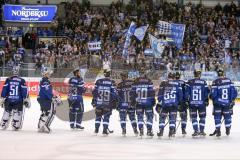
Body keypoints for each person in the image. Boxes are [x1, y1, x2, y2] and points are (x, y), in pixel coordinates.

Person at [0, 65, 30, 130]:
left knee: (7, 112)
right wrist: (25, 99)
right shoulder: (22, 80)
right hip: (18, 100)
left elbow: (4, 89)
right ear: (18, 71)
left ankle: (3, 124)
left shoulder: (8, 79)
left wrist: (2, 98)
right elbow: (24, 91)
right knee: (17, 112)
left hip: (8, 100)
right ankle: (15, 125)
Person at [210, 68, 237, 137]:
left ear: (217, 73)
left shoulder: (215, 82)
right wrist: (232, 100)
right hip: (227, 103)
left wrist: (211, 97)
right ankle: (228, 129)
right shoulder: (229, 81)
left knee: (217, 117)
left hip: (217, 104)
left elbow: (213, 95)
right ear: (223, 73)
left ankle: (218, 131)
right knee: (228, 117)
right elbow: (234, 92)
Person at [156, 72, 183, 138]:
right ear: (174, 77)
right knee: (172, 118)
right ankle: (171, 131)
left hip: (165, 104)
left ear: (168, 77)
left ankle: (161, 131)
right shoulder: (178, 84)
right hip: (174, 104)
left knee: (162, 118)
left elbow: (160, 94)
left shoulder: (163, 83)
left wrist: (159, 102)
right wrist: (179, 103)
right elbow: (180, 95)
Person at [92, 71, 118, 136]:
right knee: (106, 117)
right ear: (110, 76)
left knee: (98, 116)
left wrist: (94, 101)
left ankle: (96, 130)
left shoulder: (98, 81)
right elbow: (114, 95)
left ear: (104, 75)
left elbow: (94, 92)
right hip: (107, 104)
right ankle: (104, 130)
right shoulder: (111, 82)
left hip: (99, 103)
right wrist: (114, 102)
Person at [37, 66, 62, 133]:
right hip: (44, 99)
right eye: (48, 73)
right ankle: (45, 125)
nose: (49, 74)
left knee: (45, 112)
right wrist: (53, 97)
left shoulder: (43, 80)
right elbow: (47, 91)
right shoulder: (45, 81)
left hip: (41, 98)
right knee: (50, 112)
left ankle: (40, 125)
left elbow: (48, 90)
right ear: (44, 73)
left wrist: (55, 95)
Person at [185, 70, 209, 137]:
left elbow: (187, 93)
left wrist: (186, 101)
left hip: (192, 103)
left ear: (194, 74)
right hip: (201, 103)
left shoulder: (189, 82)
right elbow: (206, 93)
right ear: (199, 75)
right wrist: (206, 100)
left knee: (194, 118)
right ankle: (201, 131)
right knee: (202, 117)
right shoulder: (203, 82)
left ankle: (196, 131)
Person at [131, 72, 156, 138]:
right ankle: (149, 131)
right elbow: (152, 92)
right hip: (148, 103)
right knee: (149, 117)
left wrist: (133, 101)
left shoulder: (135, 81)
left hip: (138, 103)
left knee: (140, 117)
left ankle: (141, 131)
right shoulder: (149, 81)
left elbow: (132, 93)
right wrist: (153, 101)